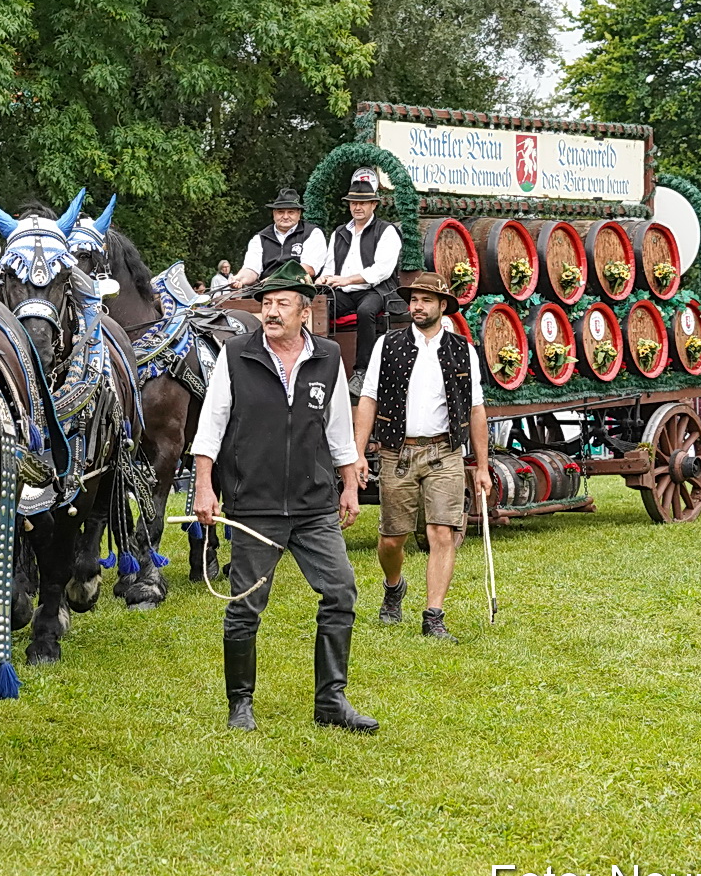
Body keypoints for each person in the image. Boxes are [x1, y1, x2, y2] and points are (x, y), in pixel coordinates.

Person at [191, 258, 375, 734]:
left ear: (304, 312)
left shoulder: (329, 357)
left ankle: (331, 702)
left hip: (315, 505)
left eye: (282, 305)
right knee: (245, 605)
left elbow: (337, 428)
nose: (271, 313)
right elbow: (211, 424)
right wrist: (204, 485)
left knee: (341, 592)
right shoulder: (236, 354)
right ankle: (240, 704)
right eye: (267, 304)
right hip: (254, 503)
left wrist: (350, 483)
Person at [351, 270, 489, 639]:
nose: (417, 306)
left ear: (443, 306)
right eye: (413, 300)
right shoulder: (388, 344)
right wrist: (359, 453)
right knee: (391, 539)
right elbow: (368, 399)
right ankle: (394, 586)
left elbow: (476, 409)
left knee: (441, 532)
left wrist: (483, 466)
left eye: (426, 300)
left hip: (445, 452)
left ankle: (434, 616)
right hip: (398, 452)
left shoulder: (464, 350)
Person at [321, 167, 402, 390]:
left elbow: (382, 271)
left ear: (374, 205)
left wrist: (348, 280)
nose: (357, 207)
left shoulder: (386, 231)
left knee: (366, 311)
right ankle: (319, 364)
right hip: (345, 292)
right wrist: (323, 280)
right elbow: (330, 267)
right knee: (317, 306)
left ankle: (362, 372)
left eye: (363, 202)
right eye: (353, 203)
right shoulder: (339, 232)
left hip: (377, 290)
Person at [226, 188, 328, 289]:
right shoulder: (260, 238)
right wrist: (239, 279)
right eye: (281, 212)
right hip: (264, 291)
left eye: (291, 212)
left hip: (300, 290)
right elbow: (251, 269)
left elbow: (308, 269)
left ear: (299, 213)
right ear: (274, 213)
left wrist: (275, 279)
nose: (285, 216)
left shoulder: (313, 233)